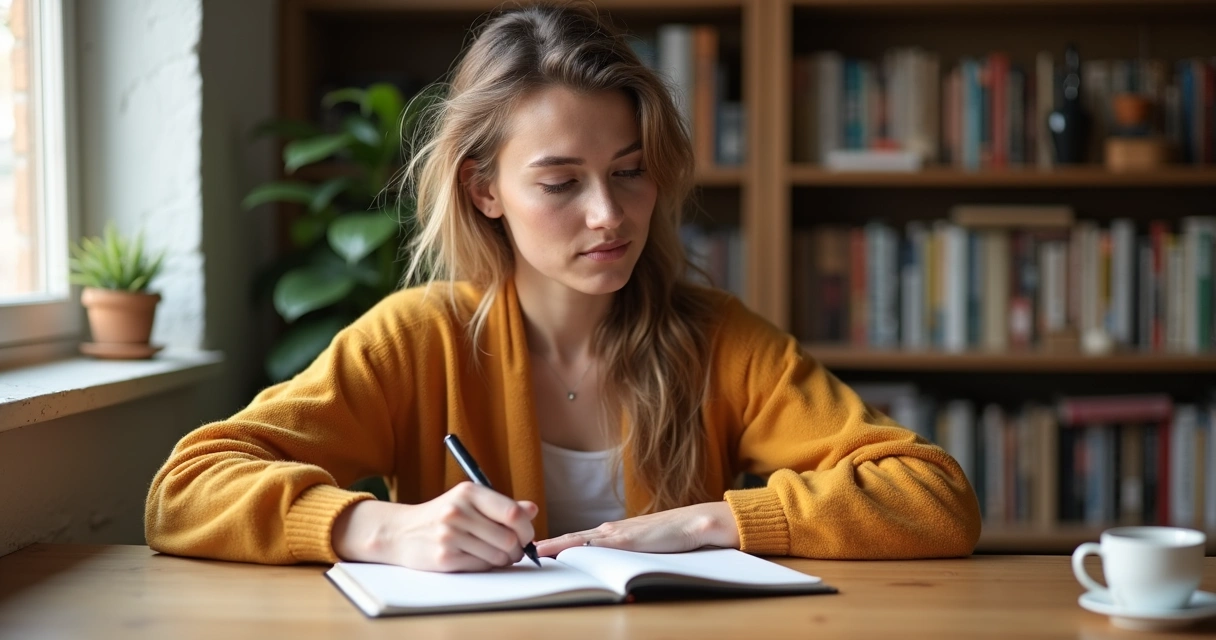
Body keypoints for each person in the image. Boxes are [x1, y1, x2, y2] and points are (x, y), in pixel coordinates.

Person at [145, 1, 981, 572]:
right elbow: (185, 490)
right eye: (560, 183)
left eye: (629, 172)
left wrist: (713, 522)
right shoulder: (416, 338)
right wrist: (380, 527)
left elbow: (934, 496)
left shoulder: (717, 339)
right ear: (484, 191)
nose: (608, 214)